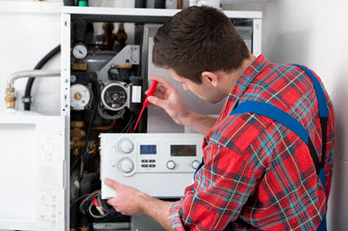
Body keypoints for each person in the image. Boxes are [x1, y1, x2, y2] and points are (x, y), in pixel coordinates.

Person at [104, 6, 335, 231]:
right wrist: (186, 116)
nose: (184, 88)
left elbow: (192, 224)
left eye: (184, 81)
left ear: (210, 78)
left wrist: (141, 202)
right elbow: (259, 142)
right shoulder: (302, 77)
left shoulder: (233, 142)